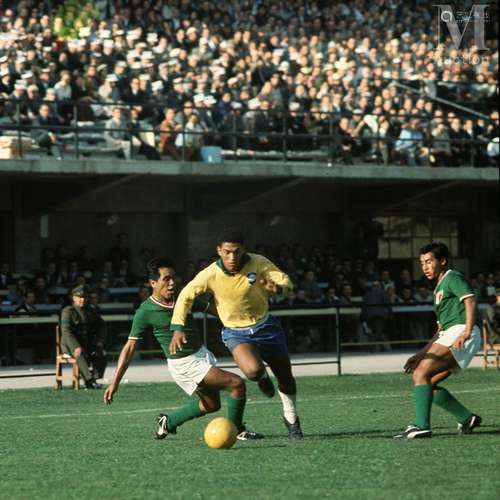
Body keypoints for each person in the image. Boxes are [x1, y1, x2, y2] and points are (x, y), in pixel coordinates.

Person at [104, 258, 261, 441]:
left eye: (174, 278)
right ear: (153, 283)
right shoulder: (145, 311)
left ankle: (168, 422)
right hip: (184, 363)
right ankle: (238, 430)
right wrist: (115, 383)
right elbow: (129, 348)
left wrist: (241, 317)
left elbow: (214, 310)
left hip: (201, 354)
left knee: (211, 405)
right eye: (166, 279)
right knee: (236, 384)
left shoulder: (184, 296)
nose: (172, 283)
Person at [171, 228, 303, 439]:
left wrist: (280, 289)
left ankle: (291, 419)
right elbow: (186, 295)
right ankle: (260, 377)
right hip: (236, 333)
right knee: (251, 371)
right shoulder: (210, 274)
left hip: (266, 327)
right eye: (227, 252)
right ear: (219, 251)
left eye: (237, 251)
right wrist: (177, 327)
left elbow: (285, 281)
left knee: (286, 378)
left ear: (244, 250)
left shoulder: (259, 263)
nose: (232, 257)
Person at [394, 242, 482, 439]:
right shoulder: (438, 289)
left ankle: (421, 425)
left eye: (429, 261)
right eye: (422, 262)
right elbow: (440, 330)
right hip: (450, 333)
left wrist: (465, 332)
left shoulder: (453, 277)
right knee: (426, 381)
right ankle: (467, 418)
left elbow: (470, 300)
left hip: (460, 331)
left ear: (442, 261)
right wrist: (420, 354)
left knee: (421, 373)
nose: (425, 266)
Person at [60, 285, 107, 389]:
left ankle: (95, 378)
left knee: (101, 353)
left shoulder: (90, 310)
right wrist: (75, 346)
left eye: (85, 297)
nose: (83, 300)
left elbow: (102, 325)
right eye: (80, 297)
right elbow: (66, 331)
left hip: (87, 343)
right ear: (73, 298)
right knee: (79, 353)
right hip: (70, 345)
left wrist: (100, 340)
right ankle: (89, 381)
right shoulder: (68, 311)